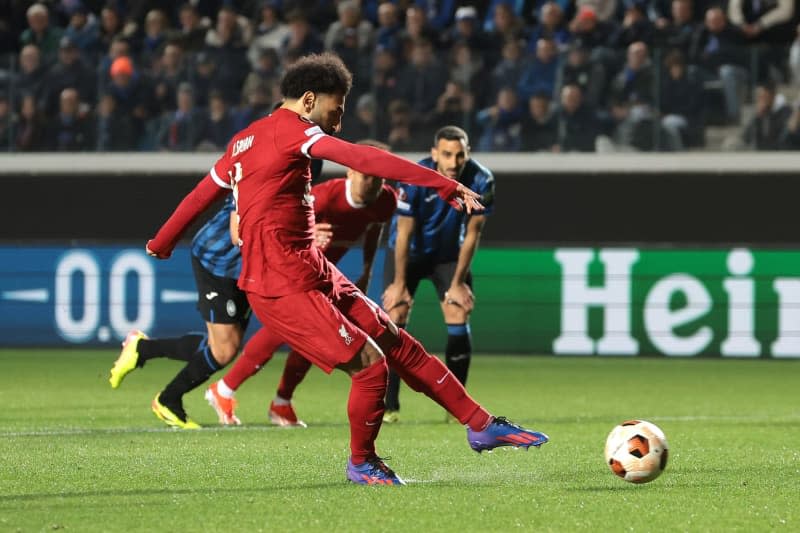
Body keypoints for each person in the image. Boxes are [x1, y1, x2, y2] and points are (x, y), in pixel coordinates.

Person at [142, 53, 547, 485]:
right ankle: (361, 462)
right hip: (281, 284)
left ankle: (480, 424)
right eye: (338, 108)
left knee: (401, 345)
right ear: (310, 99)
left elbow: (199, 196)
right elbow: (364, 159)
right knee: (372, 368)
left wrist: (161, 242)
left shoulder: (244, 140)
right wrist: (442, 183)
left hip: (311, 269)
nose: (340, 117)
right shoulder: (293, 132)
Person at [205, 140, 398, 426]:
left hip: (322, 274)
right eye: (366, 174)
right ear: (349, 173)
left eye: (379, 176)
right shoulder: (322, 198)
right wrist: (308, 234)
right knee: (285, 332)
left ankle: (280, 401)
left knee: (320, 337)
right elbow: (278, 228)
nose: (373, 182)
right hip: (289, 270)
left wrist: (368, 271)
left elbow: (374, 228)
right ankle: (225, 389)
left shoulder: (386, 201)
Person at [381, 125, 494, 424]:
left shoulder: (482, 179)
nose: (454, 163)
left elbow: (472, 234)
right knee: (394, 316)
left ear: (468, 153)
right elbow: (403, 234)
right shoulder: (414, 178)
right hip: (409, 253)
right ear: (434, 154)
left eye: (460, 155)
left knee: (458, 313)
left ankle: (456, 405)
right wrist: (399, 284)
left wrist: (457, 284)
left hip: (447, 256)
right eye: (446, 155)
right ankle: (390, 405)